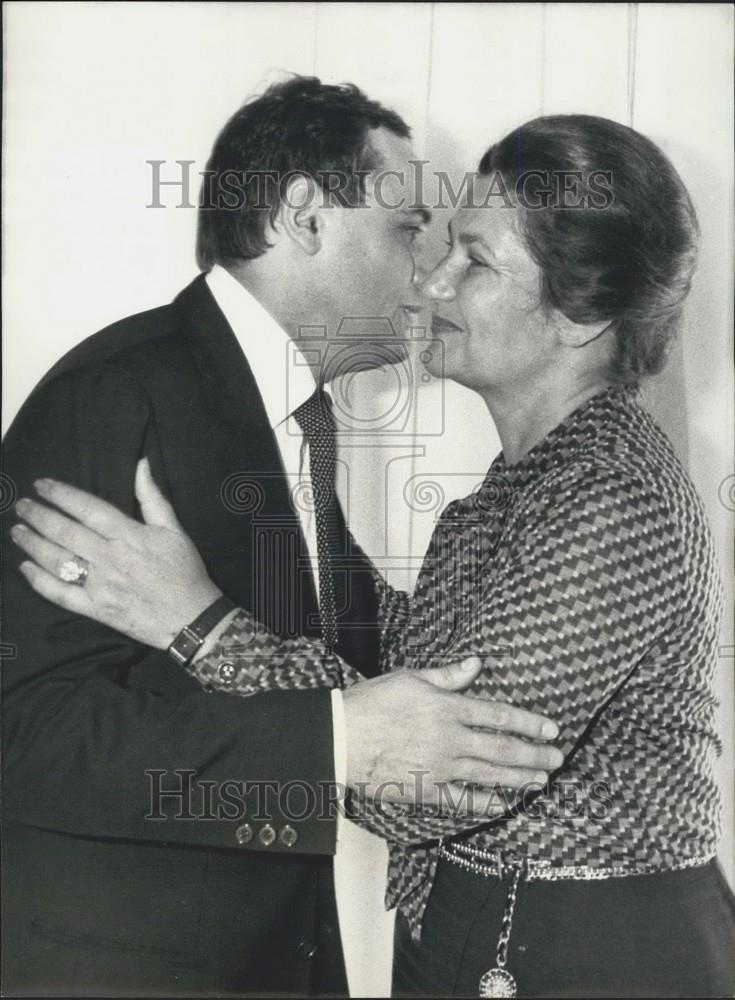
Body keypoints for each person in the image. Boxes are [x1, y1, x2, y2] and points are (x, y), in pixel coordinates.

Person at [14, 113, 735, 998]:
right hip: (473, 936)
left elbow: (426, 780)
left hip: (584, 957)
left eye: (473, 259)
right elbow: (402, 649)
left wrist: (198, 622)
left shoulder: (606, 498)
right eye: (421, 237)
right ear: (307, 218)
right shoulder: (511, 488)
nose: (430, 278)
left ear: (577, 314)